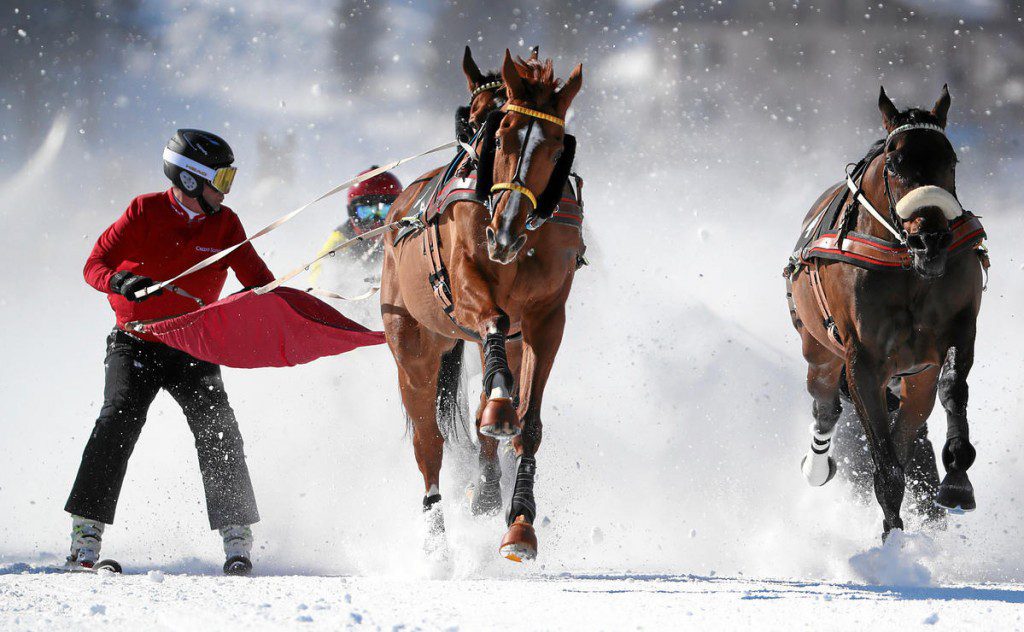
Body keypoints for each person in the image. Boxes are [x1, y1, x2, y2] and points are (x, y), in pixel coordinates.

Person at [64, 129, 274, 576]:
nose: (227, 188)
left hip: (191, 345)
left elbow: (259, 280)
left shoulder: (226, 223)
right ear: (192, 178)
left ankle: (236, 534)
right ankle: (85, 536)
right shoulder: (145, 210)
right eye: (222, 178)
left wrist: (288, 301)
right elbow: (93, 265)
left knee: (218, 428)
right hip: (135, 340)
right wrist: (120, 282)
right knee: (117, 419)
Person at [308, 168, 402, 284]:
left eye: (384, 211)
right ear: (352, 212)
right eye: (366, 212)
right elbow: (319, 280)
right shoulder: (340, 241)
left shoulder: (406, 234)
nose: (376, 222)